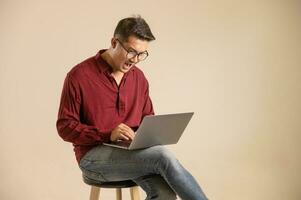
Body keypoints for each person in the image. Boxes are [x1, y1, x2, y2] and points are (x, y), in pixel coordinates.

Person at [56, 15, 208, 200]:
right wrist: (106, 134)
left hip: (131, 155)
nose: (135, 60)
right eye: (131, 52)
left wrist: (148, 135)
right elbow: (64, 126)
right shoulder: (79, 75)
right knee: (163, 156)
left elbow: (148, 118)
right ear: (114, 42)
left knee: (165, 193)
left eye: (141, 54)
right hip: (92, 158)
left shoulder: (139, 79)